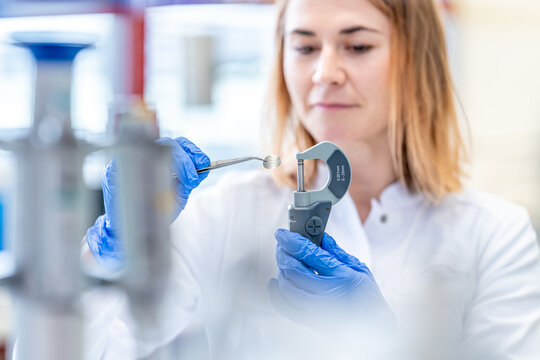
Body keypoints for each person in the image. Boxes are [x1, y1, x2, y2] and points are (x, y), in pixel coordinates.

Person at [84, 0, 540, 359]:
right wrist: (111, 258)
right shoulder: (221, 215)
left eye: (357, 46)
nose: (324, 73)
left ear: (416, 61)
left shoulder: (494, 234)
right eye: (304, 47)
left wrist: (386, 343)